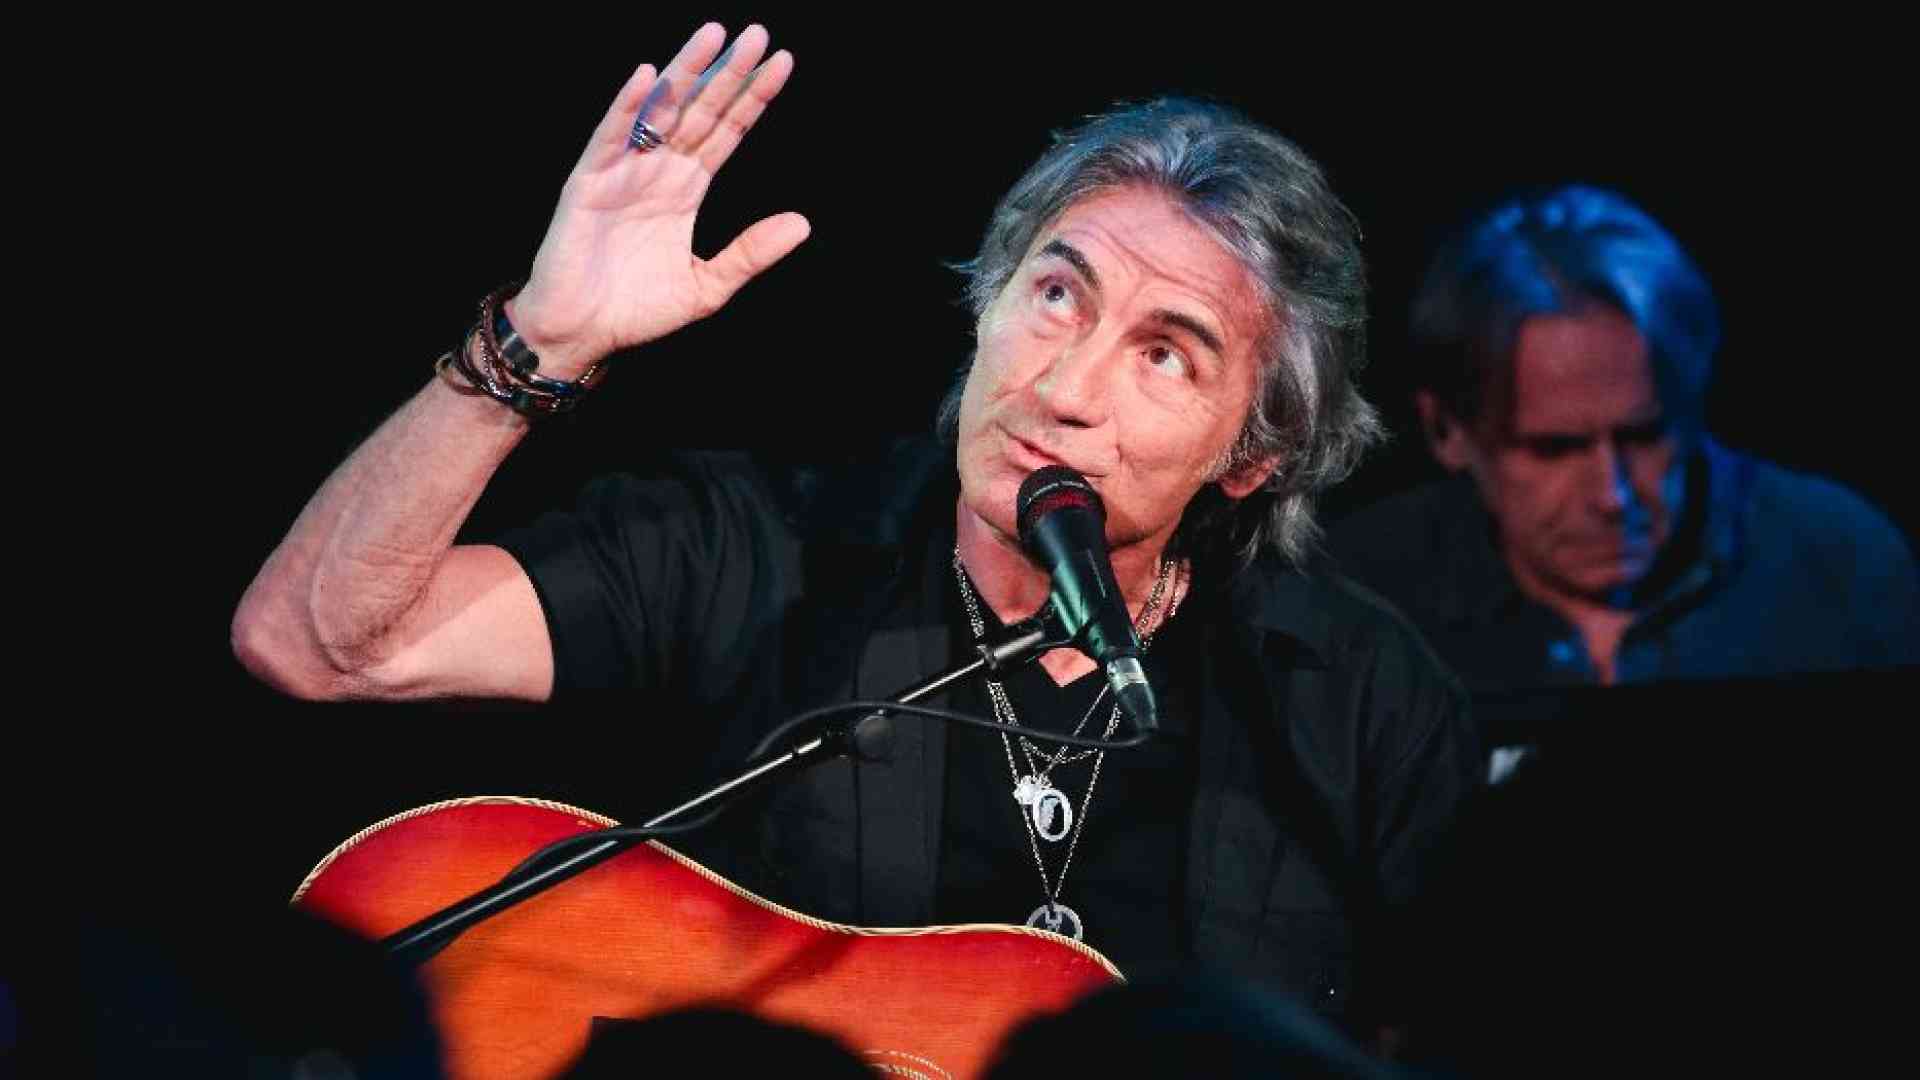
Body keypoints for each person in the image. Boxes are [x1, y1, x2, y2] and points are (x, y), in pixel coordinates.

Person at [232, 22, 1479, 1040]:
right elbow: (319, 645)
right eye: (1057, 295)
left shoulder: (1363, 708)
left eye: (1166, 355)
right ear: (988, 304)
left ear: (1254, 457)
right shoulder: (760, 548)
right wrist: (538, 345)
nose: (1066, 386)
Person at [1326, 185, 1918, 703]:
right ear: (1446, 431)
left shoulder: (1841, 562)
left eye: (1644, 435)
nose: (1612, 497)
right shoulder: (1355, 600)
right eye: (1554, 449)